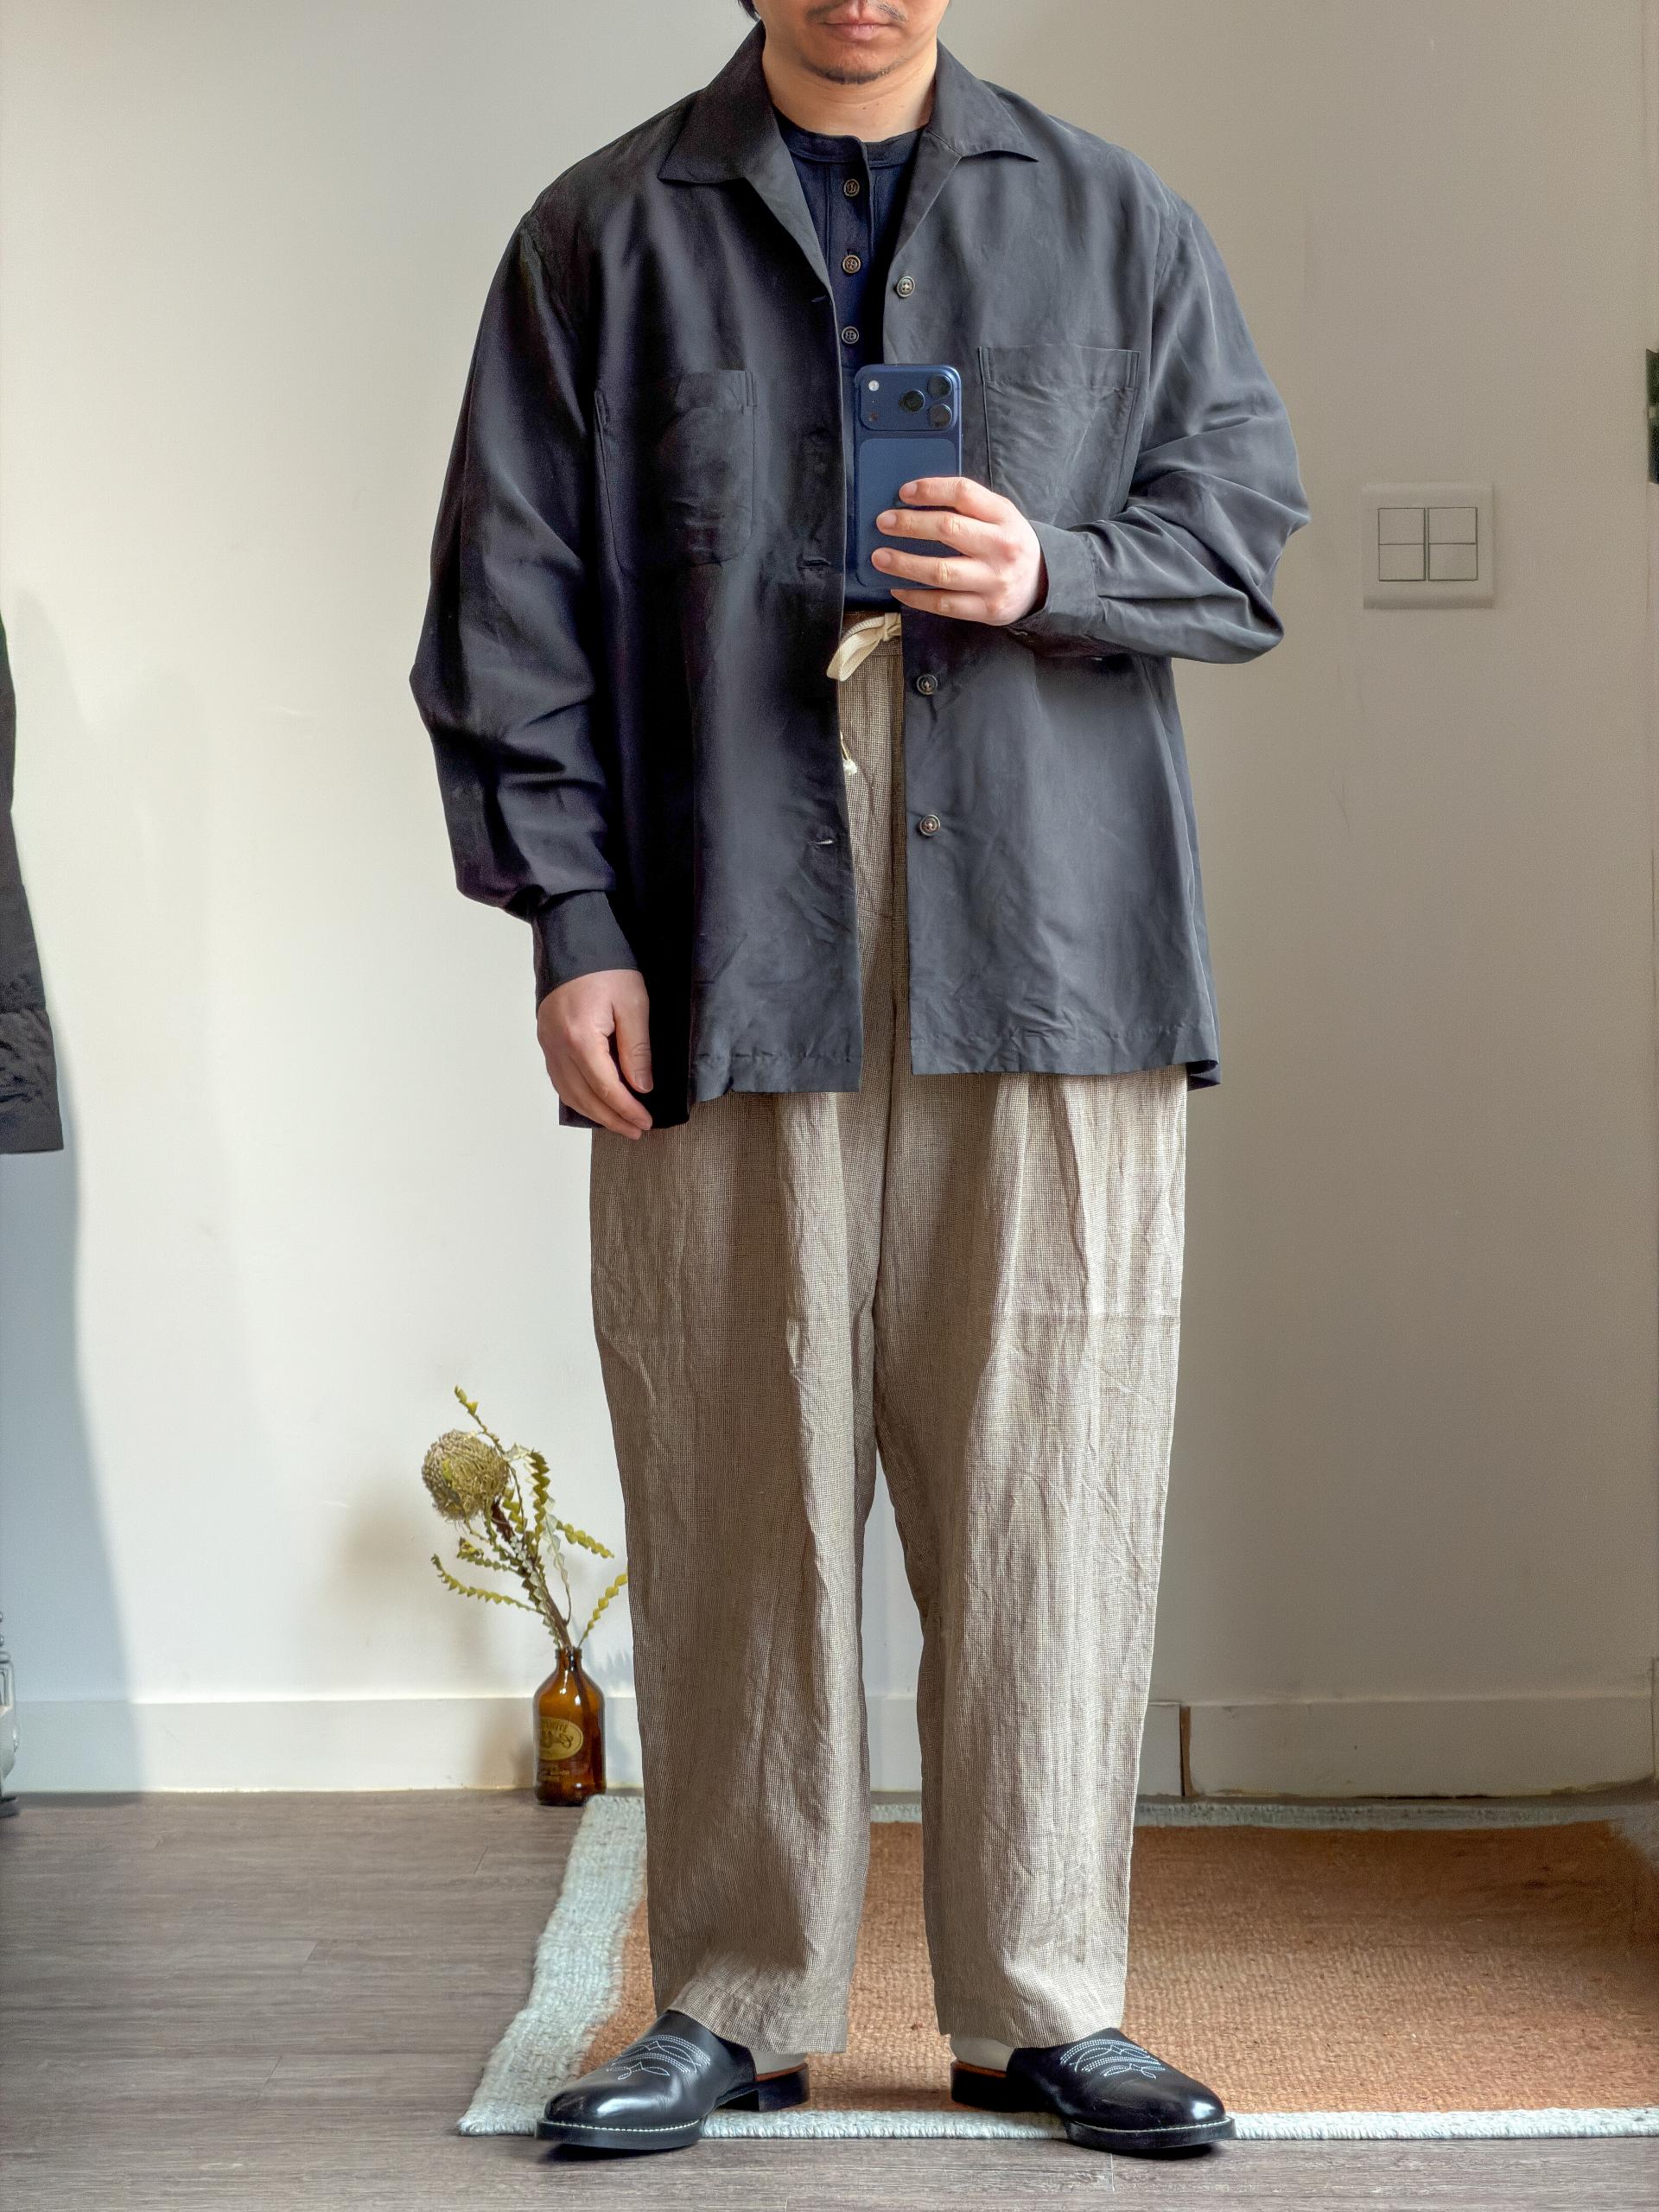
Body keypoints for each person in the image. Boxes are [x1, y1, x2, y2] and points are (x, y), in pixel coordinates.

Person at [410, 0, 1308, 2160]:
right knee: (736, 1475)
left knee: (1050, 1484)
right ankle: (735, 1993)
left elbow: (1240, 532)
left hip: (1055, 941)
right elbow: (508, 605)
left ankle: (1048, 1999)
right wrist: (575, 920)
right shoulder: (599, 237)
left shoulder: (1118, 222)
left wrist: (1053, 567)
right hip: (729, 929)